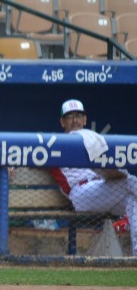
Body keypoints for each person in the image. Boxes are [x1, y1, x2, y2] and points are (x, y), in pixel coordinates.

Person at [49, 99, 137, 256]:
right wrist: (10, 165)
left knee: (132, 202)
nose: (75, 120)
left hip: (104, 190)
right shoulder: (55, 144)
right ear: (62, 122)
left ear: (85, 120)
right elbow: (26, 152)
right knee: (129, 181)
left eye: (78, 116)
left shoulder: (93, 140)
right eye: (70, 117)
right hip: (81, 195)